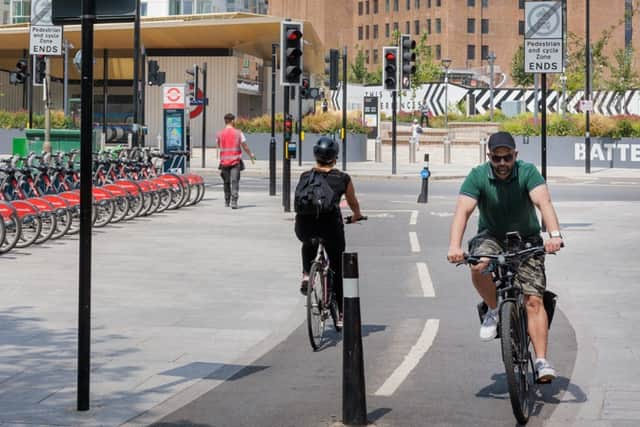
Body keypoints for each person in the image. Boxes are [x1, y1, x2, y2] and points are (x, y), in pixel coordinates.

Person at [446, 131, 563, 383]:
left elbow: (544, 203)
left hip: (526, 238)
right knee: (477, 265)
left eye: (506, 158)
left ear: (515, 156)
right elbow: (462, 211)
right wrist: (454, 246)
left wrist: (554, 235)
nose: (501, 164)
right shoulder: (478, 175)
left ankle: (541, 361)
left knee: (533, 298)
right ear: (488, 156)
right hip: (491, 235)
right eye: (496, 158)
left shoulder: (528, 172)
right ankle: (493, 308)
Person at [294, 137, 363, 326]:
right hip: (330, 227)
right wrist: (356, 214)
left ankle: (307, 274)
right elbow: (352, 201)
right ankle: (341, 314)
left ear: (316, 156)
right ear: (335, 158)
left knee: (308, 242)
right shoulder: (342, 178)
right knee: (337, 268)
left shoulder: (305, 176)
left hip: (304, 227)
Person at [216, 113, 255, 209]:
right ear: (233, 121)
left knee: (226, 182)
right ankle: (234, 201)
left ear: (225, 121)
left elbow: (218, 146)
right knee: (234, 181)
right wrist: (251, 155)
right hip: (235, 161)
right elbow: (245, 146)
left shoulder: (220, 133)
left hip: (224, 162)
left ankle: (226, 201)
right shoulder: (238, 133)